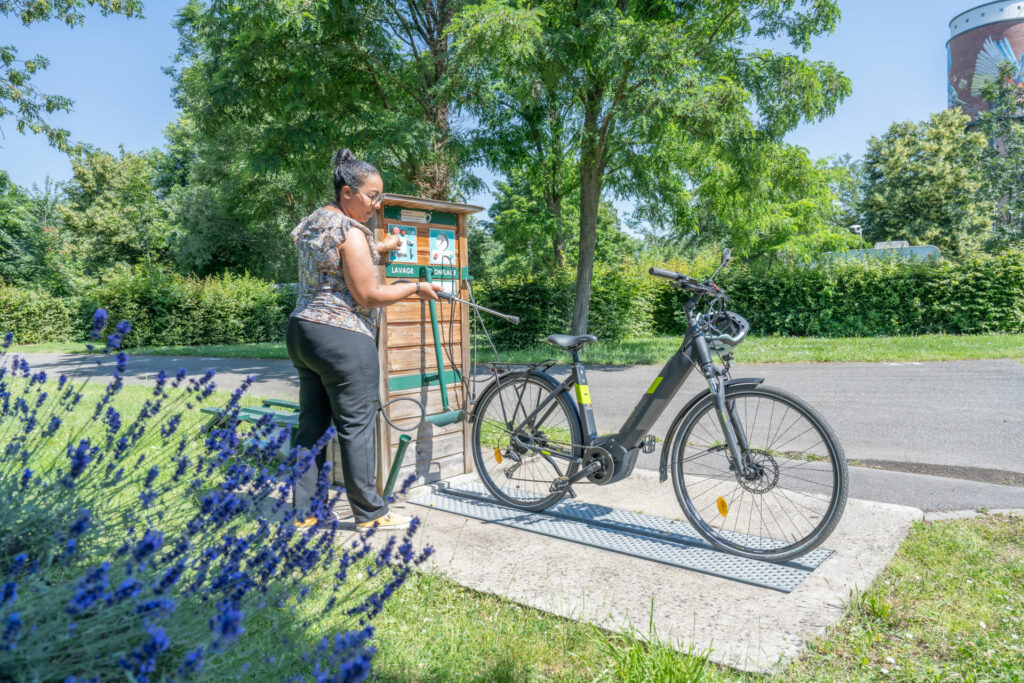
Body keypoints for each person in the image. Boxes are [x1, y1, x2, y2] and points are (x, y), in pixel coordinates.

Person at [286, 148, 441, 530]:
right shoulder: (351, 231)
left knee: (312, 428)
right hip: (342, 336)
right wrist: (415, 287)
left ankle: (304, 513)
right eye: (372, 195)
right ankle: (370, 514)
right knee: (356, 427)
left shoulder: (314, 223)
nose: (377, 203)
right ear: (348, 192)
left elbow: (335, 260)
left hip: (303, 333)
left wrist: (381, 247)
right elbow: (367, 295)